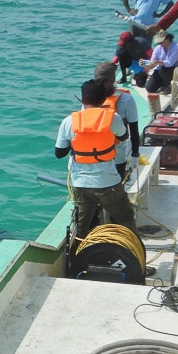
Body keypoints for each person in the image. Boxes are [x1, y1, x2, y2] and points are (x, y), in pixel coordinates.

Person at [56, 79, 137, 236]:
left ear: (82, 99)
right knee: (125, 218)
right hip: (108, 182)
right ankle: (132, 253)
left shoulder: (68, 122)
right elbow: (124, 135)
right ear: (103, 99)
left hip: (81, 184)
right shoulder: (113, 119)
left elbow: (59, 153)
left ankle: (77, 256)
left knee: (82, 228)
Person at [94, 61, 140, 177]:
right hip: (95, 153)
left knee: (118, 183)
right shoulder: (90, 99)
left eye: (105, 81)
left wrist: (135, 155)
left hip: (118, 154)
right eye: (98, 81)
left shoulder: (126, 100)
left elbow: (134, 130)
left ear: (113, 80)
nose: (101, 85)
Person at [135, 32, 178, 109]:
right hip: (160, 70)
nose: (160, 44)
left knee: (165, 68)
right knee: (149, 88)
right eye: (158, 42)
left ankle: (167, 85)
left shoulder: (177, 46)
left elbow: (170, 63)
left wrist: (157, 62)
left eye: (161, 42)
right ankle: (163, 84)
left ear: (167, 39)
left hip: (173, 70)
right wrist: (144, 63)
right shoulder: (158, 48)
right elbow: (152, 62)